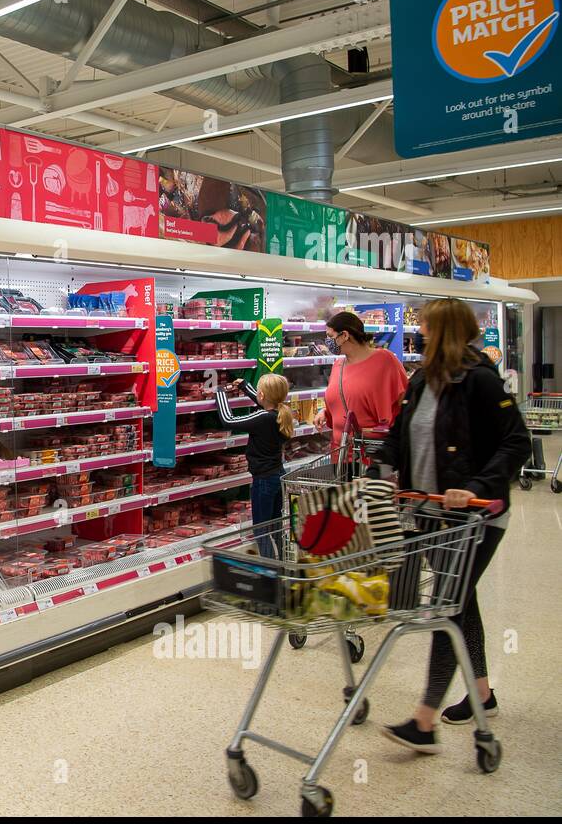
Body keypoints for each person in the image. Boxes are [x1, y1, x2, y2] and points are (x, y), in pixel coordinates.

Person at [370, 298, 530, 753]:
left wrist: (477, 484)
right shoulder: (422, 380)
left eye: (427, 326)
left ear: (448, 332)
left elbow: (516, 441)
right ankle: (482, 694)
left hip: (476, 517)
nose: (419, 332)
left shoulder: (478, 380)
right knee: (460, 602)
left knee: (445, 606)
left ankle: (424, 721)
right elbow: (399, 437)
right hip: (430, 513)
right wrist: (378, 470)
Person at [216, 374, 294, 556]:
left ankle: (270, 571)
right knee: (275, 527)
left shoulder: (263, 418)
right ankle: (282, 564)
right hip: (277, 475)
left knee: (261, 529)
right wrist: (245, 386)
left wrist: (219, 393)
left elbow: (229, 420)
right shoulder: (281, 413)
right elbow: (264, 402)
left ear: (262, 395)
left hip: (263, 480)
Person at [313, 310, 408, 450]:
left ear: (344, 335)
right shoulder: (338, 366)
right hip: (341, 455)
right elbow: (346, 400)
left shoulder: (385, 361)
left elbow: (403, 403)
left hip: (372, 454)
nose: (328, 342)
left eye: (330, 336)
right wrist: (325, 412)